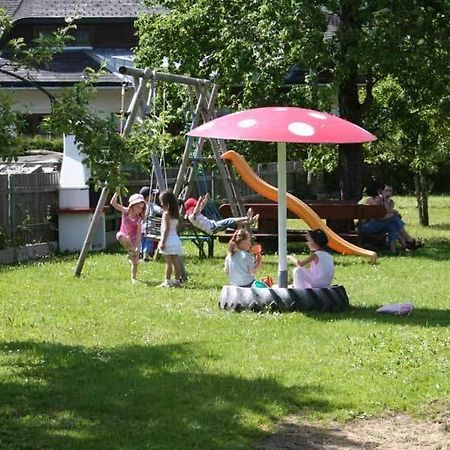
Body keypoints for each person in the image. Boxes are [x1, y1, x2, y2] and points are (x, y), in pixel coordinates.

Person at [359, 179, 419, 254]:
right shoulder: (372, 200)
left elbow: (385, 213)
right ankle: (408, 240)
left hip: (367, 226)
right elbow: (383, 215)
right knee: (394, 218)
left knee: (392, 225)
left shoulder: (368, 199)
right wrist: (393, 211)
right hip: (366, 227)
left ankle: (395, 250)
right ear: (378, 190)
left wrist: (390, 208)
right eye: (382, 190)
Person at [110, 192, 146, 283]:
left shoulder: (138, 219)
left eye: (142, 208)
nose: (140, 210)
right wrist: (117, 192)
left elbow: (138, 235)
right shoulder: (125, 211)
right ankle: (130, 251)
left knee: (135, 261)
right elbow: (113, 203)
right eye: (138, 207)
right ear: (132, 205)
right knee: (119, 235)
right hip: (125, 237)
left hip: (133, 240)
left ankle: (133, 278)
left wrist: (137, 246)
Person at [184, 192, 259, 235]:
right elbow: (195, 211)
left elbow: (201, 207)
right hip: (213, 227)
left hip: (214, 226)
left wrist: (205, 199)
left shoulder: (195, 214)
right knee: (229, 220)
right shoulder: (191, 216)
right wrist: (199, 202)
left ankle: (251, 221)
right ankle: (247, 218)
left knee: (235, 224)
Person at [157, 189, 184, 288]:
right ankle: (177, 281)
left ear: (166, 203)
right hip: (175, 240)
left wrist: (162, 242)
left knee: (168, 262)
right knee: (176, 260)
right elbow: (174, 228)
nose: (161, 205)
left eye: (162, 203)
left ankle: (167, 281)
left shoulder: (166, 214)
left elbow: (166, 229)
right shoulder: (176, 214)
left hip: (168, 240)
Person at [139, 186, 163, 261]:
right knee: (148, 241)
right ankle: (146, 255)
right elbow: (159, 210)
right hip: (149, 228)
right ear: (148, 196)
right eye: (152, 195)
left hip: (140, 228)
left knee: (141, 241)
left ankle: (141, 254)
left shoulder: (140, 205)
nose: (153, 196)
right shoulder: (151, 205)